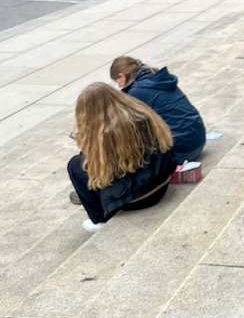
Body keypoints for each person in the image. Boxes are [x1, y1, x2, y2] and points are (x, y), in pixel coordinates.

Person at [67, 83, 175, 233]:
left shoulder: (104, 134)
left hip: (134, 200)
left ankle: (99, 219)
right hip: (161, 182)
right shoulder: (140, 112)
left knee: (75, 165)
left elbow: (106, 169)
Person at [109, 57, 206, 163]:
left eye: (117, 81)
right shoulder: (156, 79)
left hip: (181, 150)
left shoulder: (137, 91)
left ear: (121, 76)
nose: (118, 85)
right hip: (197, 140)